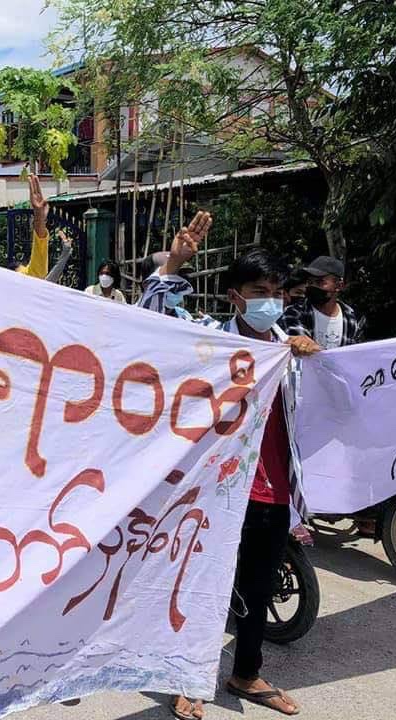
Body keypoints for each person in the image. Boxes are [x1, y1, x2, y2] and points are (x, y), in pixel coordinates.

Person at [140, 216, 319, 718]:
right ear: (233, 297)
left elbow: (336, 399)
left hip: (273, 489)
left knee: (258, 587)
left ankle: (245, 673)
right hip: (215, 490)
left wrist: (315, 358)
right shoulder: (208, 341)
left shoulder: (291, 347)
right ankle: (186, 678)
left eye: (278, 292)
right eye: (259, 291)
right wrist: (174, 263)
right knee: (200, 583)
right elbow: (152, 321)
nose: (272, 302)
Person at [281, 255, 364, 349]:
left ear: (339, 286)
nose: (313, 286)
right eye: (310, 282)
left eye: (320, 282)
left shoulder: (351, 317)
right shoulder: (294, 313)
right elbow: (303, 349)